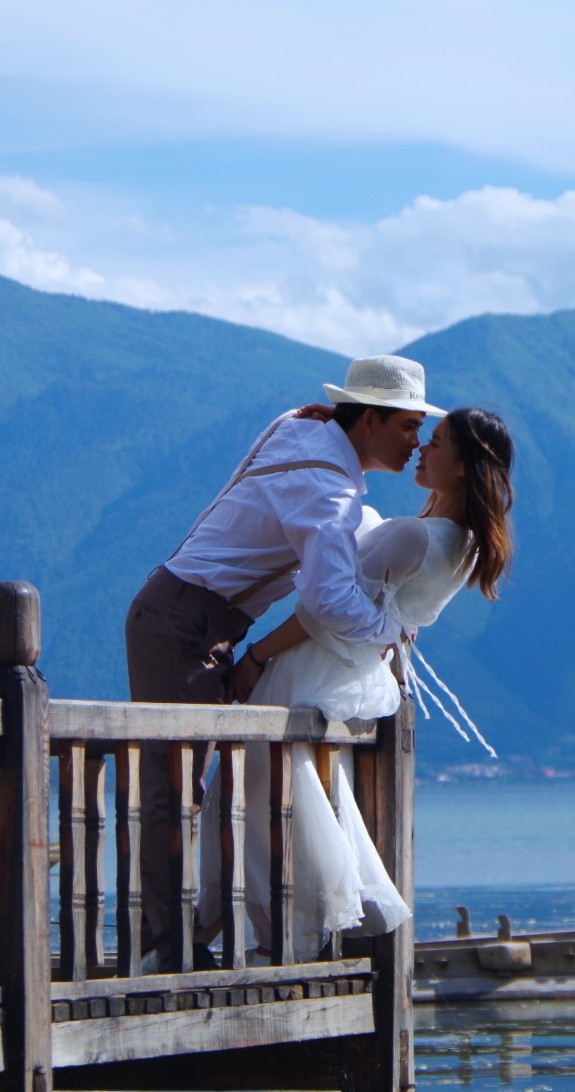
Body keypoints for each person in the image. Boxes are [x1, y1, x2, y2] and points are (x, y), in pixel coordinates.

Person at [122, 354, 442, 968]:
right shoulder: (329, 490)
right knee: (175, 789)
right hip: (183, 623)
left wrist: (314, 414)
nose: (416, 440)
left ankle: (179, 940)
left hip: (194, 618)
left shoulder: (303, 431)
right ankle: (166, 952)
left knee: (183, 787)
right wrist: (391, 631)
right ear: (368, 420)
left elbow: (287, 422)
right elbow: (328, 598)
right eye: (406, 425)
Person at [212, 407, 515, 958]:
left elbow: (320, 611)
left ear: (465, 467)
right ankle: (283, 933)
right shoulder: (464, 548)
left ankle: (264, 933)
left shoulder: (411, 538)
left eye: (439, 442)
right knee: (294, 803)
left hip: (308, 670)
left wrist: (256, 656)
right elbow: (397, 622)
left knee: (255, 802)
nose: (423, 446)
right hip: (351, 683)